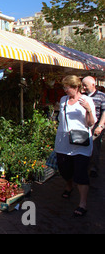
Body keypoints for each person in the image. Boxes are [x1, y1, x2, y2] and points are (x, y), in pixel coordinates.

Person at [54, 75, 96, 217]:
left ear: (76, 87)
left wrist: (88, 109)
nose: (65, 90)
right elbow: (61, 119)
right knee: (64, 169)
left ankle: (82, 204)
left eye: (68, 87)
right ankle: (69, 185)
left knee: (81, 173)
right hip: (64, 142)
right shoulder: (63, 100)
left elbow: (90, 123)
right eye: (64, 87)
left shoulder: (87, 100)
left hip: (81, 143)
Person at [82, 76, 105, 178]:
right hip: (85, 125)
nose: (84, 87)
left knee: (94, 147)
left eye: (85, 85)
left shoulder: (101, 96)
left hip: (96, 125)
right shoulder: (83, 96)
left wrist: (100, 126)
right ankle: (85, 166)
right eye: (83, 85)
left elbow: (104, 112)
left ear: (93, 85)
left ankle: (94, 168)